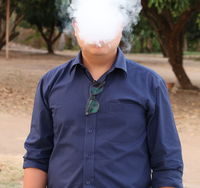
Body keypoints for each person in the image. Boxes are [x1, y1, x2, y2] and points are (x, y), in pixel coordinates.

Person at [23, 24, 183, 188]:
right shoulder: (50, 82)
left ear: (121, 26)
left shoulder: (150, 84)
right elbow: (37, 153)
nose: (98, 31)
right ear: (76, 27)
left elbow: (167, 163)